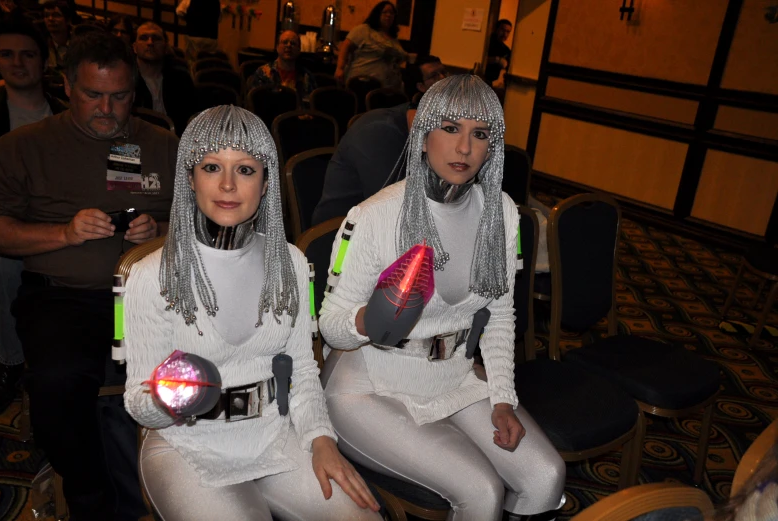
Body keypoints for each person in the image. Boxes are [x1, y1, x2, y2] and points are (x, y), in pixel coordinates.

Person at [319, 75, 566, 520]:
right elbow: (330, 323)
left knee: (546, 477)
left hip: (453, 375)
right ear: (423, 132)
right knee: (482, 491)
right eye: (450, 128)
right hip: (369, 384)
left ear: (493, 146)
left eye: (480, 134)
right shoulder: (374, 216)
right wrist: (367, 320)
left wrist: (503, 398)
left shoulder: (503, 215)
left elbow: (500, 313)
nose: (464, 148)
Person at [123, 105, 382, 521]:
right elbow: (137, 403)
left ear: (265, 184)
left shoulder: (292, 264)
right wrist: (170, 396)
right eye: (211, 167)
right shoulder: (150, 275)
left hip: (272, 433)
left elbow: (302, 368)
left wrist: (321, 438)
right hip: (186, 443)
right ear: (190, 179)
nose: (227, 184)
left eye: (245, 169)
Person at [0, 31, 177, 520]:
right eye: (93, 94)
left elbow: (204, 222)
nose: (106, 108)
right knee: (57, 383)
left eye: (119, 96)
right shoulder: (22, 147)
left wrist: (158, 229)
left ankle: (178, 482)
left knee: (200, 368)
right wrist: (64, 234)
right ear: (67, 87)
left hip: (149, 294)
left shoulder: (161, 143)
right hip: (63, 298)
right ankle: (91, 495)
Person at [0, 20, 67, 415]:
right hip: (4, 220)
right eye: (7, 54)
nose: (18, 63)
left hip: (58, 219)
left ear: (44, 61)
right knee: (4, 262)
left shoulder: (68, 111)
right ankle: (10, 359)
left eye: (28, 54)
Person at [311, 55, 448, 226]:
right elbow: (388, 209)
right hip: (339, 236)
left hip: (381, 230)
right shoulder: (378, 133)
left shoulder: (427, 132)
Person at [132, 21, 196, 135]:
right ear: (135, 47)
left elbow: (192, 120)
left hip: (174, 144)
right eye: (144, 38)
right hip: (134, 146)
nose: (150, 43)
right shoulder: (125, 80)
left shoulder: (181, 79)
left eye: (156, 38)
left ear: (166, 47)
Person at [334, 0, 407, 90]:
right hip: (363, 82)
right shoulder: (364, 30)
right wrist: (340, 68)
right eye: (385, 12)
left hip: (387, 87)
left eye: (391, 13)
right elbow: (345, 46)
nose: (388, 15)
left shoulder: (393, 39)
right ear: (377, 14)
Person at [246, 30, 316, 103]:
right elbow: (255, 103)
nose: (288, 46)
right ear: (277, 47)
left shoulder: (306, 76)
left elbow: (310, 105)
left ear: (299, 49)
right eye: (285, 42)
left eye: (293, 43)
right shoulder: (263, 73)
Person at [42, 1, 71, 75]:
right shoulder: (41, 44)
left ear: (68, 20)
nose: (50, 19)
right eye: (47, 15)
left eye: (56, 15)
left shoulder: (78, 44)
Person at [485, 19, 512, 87]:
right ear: (496, 29)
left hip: (492, 83)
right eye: (502, 30)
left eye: (508, 32)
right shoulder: (487, 42)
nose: (505, 34)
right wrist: (497, 60)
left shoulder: (506, 50)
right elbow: (480, 59)